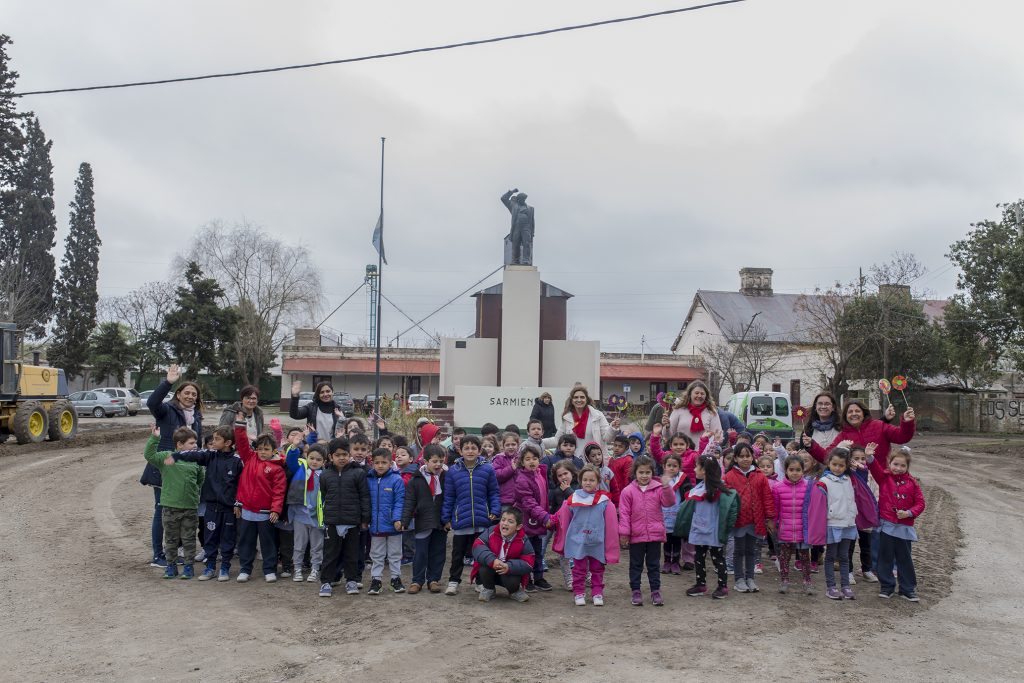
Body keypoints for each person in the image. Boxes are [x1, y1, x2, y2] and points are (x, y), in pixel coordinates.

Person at [143, 364, 203, 568]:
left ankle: (174, 552)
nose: (190, 396)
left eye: (194, 394)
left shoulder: (196, 416)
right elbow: (152, 402)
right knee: (162, 511)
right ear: (178, 394)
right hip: (165, 469)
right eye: (186, 392)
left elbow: (197, 444)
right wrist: (168, 382)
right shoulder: (166, 410)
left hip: (185, 472)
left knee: (180, 511)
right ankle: (158, 555)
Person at [170, 425, 241, 581]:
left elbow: (242, 485)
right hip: (211, 507)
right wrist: (177, 455)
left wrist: (238, 503)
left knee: (228, 538)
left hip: (229, 508)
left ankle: (225, 567)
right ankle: (210, 567)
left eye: (217, 439)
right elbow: (195, 455)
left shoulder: (237, 461)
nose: (213, 442)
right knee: (210, 537)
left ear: (228, 442)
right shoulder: (210, 455)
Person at [552, 465, 620, 606]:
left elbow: (611, 524)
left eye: (592, 480)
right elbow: (564, 518)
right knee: (579, 569)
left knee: (597, 569)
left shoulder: (604, 501)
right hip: (578, 541)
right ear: (580, 480)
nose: (588, 482)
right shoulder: (573, 499)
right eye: (585, 480)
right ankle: (578, 592)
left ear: (598, 481)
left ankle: (597, 593)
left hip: (597, 541)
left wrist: (610, 544)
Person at [441, 435, 501, 595]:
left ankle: (480, 582)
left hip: (482, 519)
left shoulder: (488, 469)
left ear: (479, 450)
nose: (470, 451)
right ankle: (454, 581)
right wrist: (446, 518)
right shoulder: (453, 471)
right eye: (466, 448)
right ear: (460, 450)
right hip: (461, 519)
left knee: (481, 554)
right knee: (457, 553)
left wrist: (495, 510)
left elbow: (493, 492)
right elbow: (449, 497)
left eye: (474, 448)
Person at [144, 426, 204, 580]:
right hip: (170, 507)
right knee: (171, 538)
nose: (195, 446)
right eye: (191, 443)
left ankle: (189, 566)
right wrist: (155, 438)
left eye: (195, 443)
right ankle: (171, 566)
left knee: (189, 539)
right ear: (179, 444)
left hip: (190, 508)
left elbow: (200, 480)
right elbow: (149, 455)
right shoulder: (166, 457)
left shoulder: (197, 461)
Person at [867, 442, 925, 601]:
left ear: (907, 467)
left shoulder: (913, 483)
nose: (898, 468)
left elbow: (920, 503)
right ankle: (887, 587)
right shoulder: (884, 478)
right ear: (890, 463)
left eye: (902, 465)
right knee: (885, 557)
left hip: (904, 527)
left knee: (904, 558)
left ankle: (907, 589)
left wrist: (909, 513)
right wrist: (869, 456)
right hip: (886, 525)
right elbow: (874, 468)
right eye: (895, 464)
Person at [818, 447, 877, 600]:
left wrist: (861, 463)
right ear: (829, 463)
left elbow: (863, 476)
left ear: (846, 466)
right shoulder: (824, 481)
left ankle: (845, 586)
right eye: (834, 464)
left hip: (848, 524)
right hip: (832, 524)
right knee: (831, 557)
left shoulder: (850, 479)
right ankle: (831, 587)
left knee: (845, 557)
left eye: (841, 465)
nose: (837, 468)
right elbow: (818, 506)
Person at [676, 456, 739, 599]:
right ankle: (701, 584)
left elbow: (726, 510)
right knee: (699, 557)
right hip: (699, 529)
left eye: (696, 466)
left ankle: (722, 587)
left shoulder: (720, 490)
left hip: (713, 531)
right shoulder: (698, 488)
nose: (694, 469)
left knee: (718, 558)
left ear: (704, 470)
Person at [233, 419, 287, 584]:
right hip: (247, 510)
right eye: (259, 449)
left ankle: (269, 570)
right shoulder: (249, 459)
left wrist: (275, 510)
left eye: (266, 449)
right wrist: (240, 425)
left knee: (268, 543)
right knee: (246, 542)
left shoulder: (277, 469)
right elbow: (241, 443)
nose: (262, 452)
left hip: (265, 514)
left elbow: (279, 492)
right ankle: (245, 569)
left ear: (274, 450)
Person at [617, 456, 675, 607]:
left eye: (647, 472)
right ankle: (636, 591)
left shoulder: (658, 488)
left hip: (654, 535)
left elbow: (669, 502)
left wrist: (667, 487)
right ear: (635, 473)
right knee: (636, 565)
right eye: (641, 472)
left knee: (654, 565)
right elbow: (624, 514)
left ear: (652, 472)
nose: (644, 476)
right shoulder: (627, 491)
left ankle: (655, 591)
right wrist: (624, 533)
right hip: (636, 536)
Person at [318, 437, 370, 598]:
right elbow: (324, 497)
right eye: (338, 455)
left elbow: (364, 497)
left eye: (345, 454)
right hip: (332, 522)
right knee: (330, 554)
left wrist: (364, 519)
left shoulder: (358, 473)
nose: (342, 457)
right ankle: (326, 582)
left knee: (352, 553)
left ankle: (351, 580)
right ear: (331, 457)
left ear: (349, 455)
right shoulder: (325, 475)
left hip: (352, 522)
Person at [722, 443, 776, 594]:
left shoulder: (760, 476)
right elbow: (725, 500)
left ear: (753, 457)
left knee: (751, 550)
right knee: (739, 550)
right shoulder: (729, 476)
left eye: (748, 456)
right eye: (741, 456)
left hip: (755, 519)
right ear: (736, 458)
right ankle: (739, 579)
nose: (745, 459)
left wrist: (770, 517)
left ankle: (750, 578)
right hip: (739, 520)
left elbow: (767, 498)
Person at [401, 444, 448, 594]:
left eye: (441, 461)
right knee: (420, 552)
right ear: (425, 461)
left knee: (438, 551)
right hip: (423, 520)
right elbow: (409, 501)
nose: (438, 464)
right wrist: (405, 520)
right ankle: (417, 580)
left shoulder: (445, 477)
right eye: (435, 461)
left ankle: (433, 579)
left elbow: (450, 498)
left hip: (440, 520)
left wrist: (449, 519)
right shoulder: (416, 480)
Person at [772, 454, 820, 595]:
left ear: (803, 470)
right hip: (785, 529)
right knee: (784, 557)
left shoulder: (810, 487)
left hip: (803, 530)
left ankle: (807, 581)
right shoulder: (777, 487)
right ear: (785, 470)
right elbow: (775, 509)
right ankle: (784, 580)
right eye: (791, 469)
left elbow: (813, 508)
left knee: (805, 557)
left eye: (798, 470)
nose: (795, 473)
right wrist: (774, 524)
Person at [512, 444, 555, 592]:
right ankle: (526, 579)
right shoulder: (522, 479)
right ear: (522, 462)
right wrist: (545, 517)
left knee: (538, 551)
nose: (532, 461)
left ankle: (538, 577)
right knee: (526, 552)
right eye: (528, 459)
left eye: (535, 458)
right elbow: (528, 503)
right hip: (526, 521)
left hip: (538, 520)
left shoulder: (540, 473)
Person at [471, 507, 534, 603]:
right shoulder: (491, 531)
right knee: (484, 567)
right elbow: (477, 546)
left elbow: (529, 562)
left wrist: (509, 566)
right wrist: (492, 560)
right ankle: (489, 589)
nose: (505, 523)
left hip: (508, 574)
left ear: (518, 527)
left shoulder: (523, 539)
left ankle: (514, 592)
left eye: (510, 521)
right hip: (492, 569)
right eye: (503, 520)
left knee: (513, 577)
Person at [366, 448, 406, 595]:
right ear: (372, 463)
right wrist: (366, 519)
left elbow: (400, 501)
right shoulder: (368, 479)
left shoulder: (397, 479)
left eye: (384, 462)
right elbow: (366, 501)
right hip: (376, 525)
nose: (380, 465)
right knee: (376, 554)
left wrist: (397, 519)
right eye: (377, 463)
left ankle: (396, 578)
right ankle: (376, 580)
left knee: (395, 553)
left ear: (391, 462)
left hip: (393, 524)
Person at [285, 441, 325, 584]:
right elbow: (290, 460)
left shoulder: (325, 475)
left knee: (317, 545)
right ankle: (297, 568)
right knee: (299, 544)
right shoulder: (301, 469)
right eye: (312, 458)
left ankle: (315, 568)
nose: (314, 462)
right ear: (307, 457)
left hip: (317, 517)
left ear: (324, 461)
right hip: (300, 515)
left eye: (319, 459)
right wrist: (294, 447)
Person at [543, 386, 619, 454]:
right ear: (572, 400)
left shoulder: (598, 416)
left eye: (582, 397)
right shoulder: (567, 418)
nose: (579, 400)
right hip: (573, 461)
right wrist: (538, 441)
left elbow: (607, 438)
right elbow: (557, 440)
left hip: (593, 462)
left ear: (586, 399)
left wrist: (613, 428)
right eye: (576, 397)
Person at [547, 460, 579, 590]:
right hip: (563, 528)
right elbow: (553, 509)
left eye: (565, 473)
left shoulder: (579, 487)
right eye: (560, 476)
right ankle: (569, 580)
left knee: (582, 553)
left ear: (572, 473)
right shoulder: (555, 492)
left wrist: (568, 490)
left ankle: (586, 576)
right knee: (564, 555)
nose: (563, 477)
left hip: (578, 527)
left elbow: (578, 501)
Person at [659, 454, 691, 575]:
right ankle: (667, 561)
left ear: (679, 467)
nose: (672, 468)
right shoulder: (661, 480)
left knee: (677, 540)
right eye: (669, 465)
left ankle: (676, 562)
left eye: (675, 466)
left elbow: (688, 493)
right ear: (664, 466)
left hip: (678, 514)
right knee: (667, 540)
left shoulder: (683, 479)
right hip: (664, 514)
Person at [667, 381, 722, 448]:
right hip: (681, 453)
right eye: (696, 393)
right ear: (690, 394)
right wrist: (666, 427)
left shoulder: (711, 412)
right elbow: (669, 435)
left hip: (703, 454)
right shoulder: (679, 410)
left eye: (702, 394)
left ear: (706, 396)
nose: (699, 396)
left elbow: (718, 435)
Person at [491, 431, 520, 506]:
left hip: (519, 501)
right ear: (503, 447)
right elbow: (496, 475)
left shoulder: (521, 459)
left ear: (518, 446)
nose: (510, 447)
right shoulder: (498, 459)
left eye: (513, 444)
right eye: (507, 445)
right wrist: (511, 469)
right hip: (504, 500)